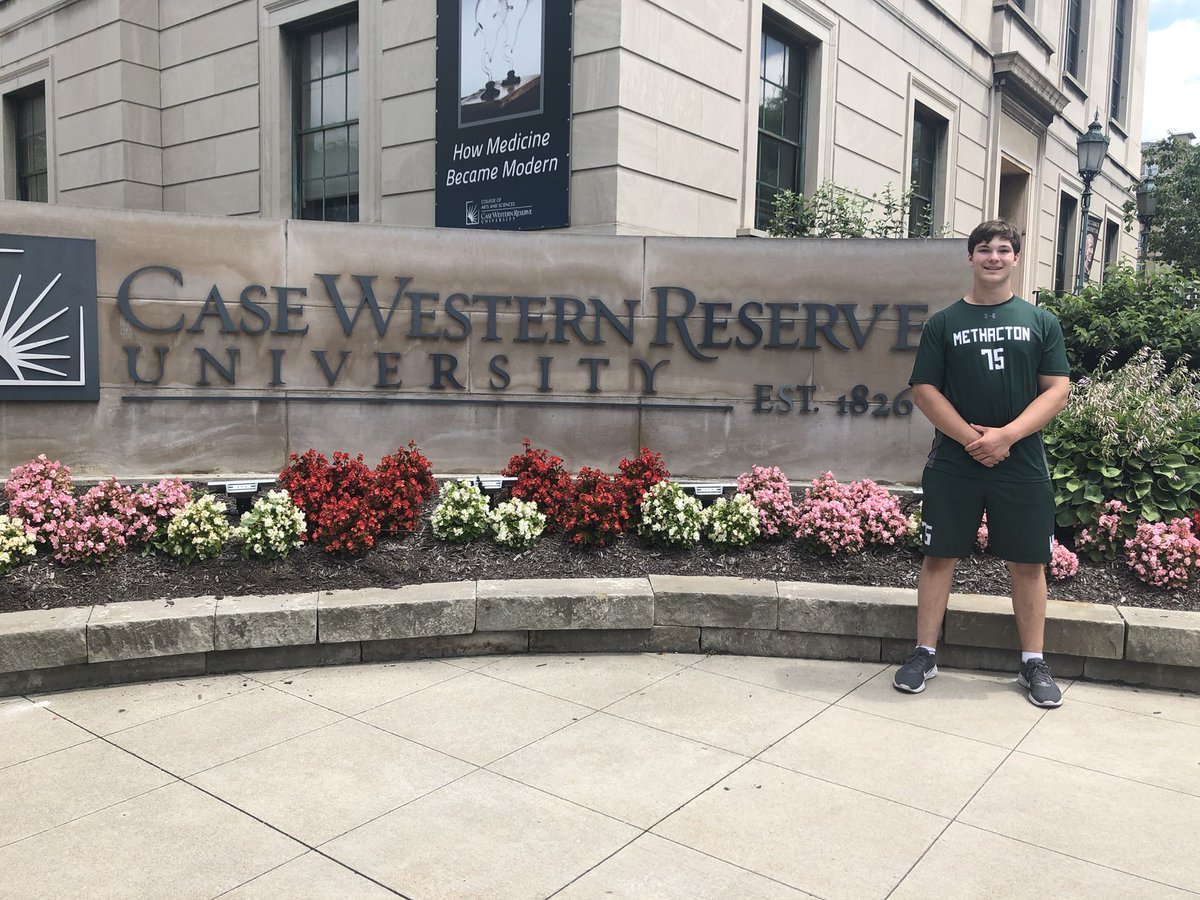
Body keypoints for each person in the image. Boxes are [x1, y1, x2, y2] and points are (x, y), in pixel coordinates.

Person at [894, 219, 1071, 707]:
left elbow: (1057, 388)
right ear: (970, 258)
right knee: (939, 555)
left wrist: (1007, 436)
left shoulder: (1041, 321)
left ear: (1016, 258)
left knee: (1029, 562)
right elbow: (925, 390)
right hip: (955, 459)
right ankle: (924, 652)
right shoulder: (943, 323)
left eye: (1003, 250)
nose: (993, 257)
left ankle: (1033, 661)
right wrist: (974, 439)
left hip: (1022, 460)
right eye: (984, 249)